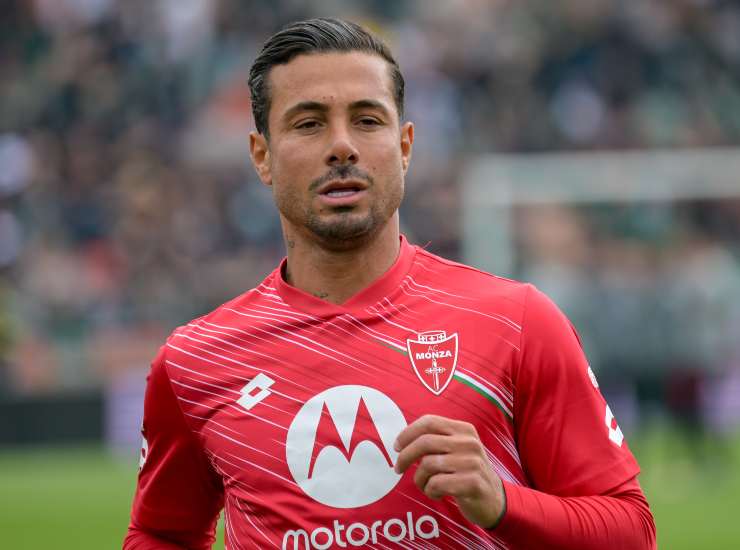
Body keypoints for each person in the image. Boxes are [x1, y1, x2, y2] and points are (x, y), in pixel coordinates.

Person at [124, 18, 656, 550]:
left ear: (404, 146)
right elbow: (159, 533)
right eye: (309, 124)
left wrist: (502, 503)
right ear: (263, 156)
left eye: (367, 120)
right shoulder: (195, 361)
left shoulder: (516, 323)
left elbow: (632, 533)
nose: (342, 146)